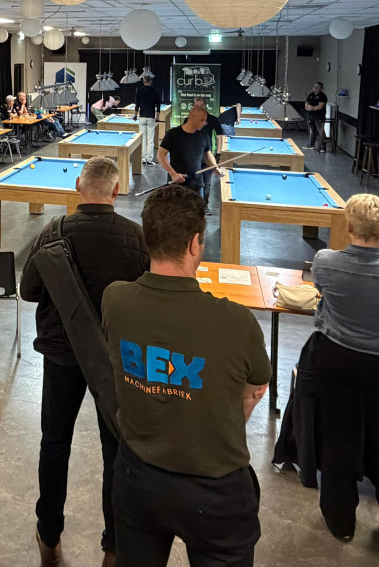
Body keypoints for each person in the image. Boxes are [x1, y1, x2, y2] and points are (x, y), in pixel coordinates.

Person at [101, 185, 270, 567]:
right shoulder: (236, 322)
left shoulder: (115, 300)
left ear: (148, 237)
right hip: (215, 487)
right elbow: (254, 390)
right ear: (195, 243)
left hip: (137, 476)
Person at [20, 157, 150, 567]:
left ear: (79, 185)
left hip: (61, 355)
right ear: (116, 190)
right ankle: (113, 546)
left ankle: (49, 536)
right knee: (115, 449)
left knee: (55, 443)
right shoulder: (135, 237)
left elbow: (28, 291)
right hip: (115, 360)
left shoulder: (53, 232)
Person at [309, 193, 379, 555]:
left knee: (338, 436)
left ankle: (339, 519)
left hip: (336, 359)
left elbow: (322, 291)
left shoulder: (325, 262)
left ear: (349, 227)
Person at [157, 107, 218, 202]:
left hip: (196, 184)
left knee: (198, 210)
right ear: (192, 117)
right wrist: (173, 174)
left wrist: (215, 167)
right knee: (174, 210)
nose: (204, 123)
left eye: (205, 120)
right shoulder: (173, 134)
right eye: (202, 120)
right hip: (176, 183)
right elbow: (160, 155)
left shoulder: (204, 134)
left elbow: (208, 155)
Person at [135, 77, 161, 164]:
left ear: (143, 82)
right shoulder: (155, 91)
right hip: (151, 117)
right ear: (151, 81)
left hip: (142, 117)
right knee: (150, 139)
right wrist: (157, 117)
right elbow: (158, 105)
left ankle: (142, 159)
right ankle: (149, 159)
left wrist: (135, 115)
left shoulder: (139, 91)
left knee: (142, 139)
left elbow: (137, 104)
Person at [304, 82, 328, 153]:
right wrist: (307, 107)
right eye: (315, 86)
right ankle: (311, 144)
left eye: (318, 87)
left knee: (320, 130)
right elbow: (306, 103)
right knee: (312, 130)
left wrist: (313, 108)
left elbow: (320, 106)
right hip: (311, 115)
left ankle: (323, 146)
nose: (315, 88)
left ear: (321, 88)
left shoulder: (322, 96)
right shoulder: (311, 95)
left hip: (319, 116)